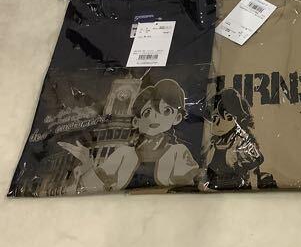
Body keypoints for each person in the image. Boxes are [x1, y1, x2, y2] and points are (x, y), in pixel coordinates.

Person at [59, 79, 200, 192]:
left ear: (177, 118)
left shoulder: (177, 152)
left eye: (166, 111)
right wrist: (87, 163)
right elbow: (91, 188)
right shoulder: (124, 154)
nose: (155, 117)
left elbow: (188, 192)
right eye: (147, 113)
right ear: (136, 121)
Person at [202, 89, 265, 191]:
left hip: (239, 191)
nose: (216, 123)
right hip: (214, 191)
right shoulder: (212, 143)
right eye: (213, 118)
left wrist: (254, 190)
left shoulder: (242, 143)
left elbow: (253, 171)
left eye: (228, 117)